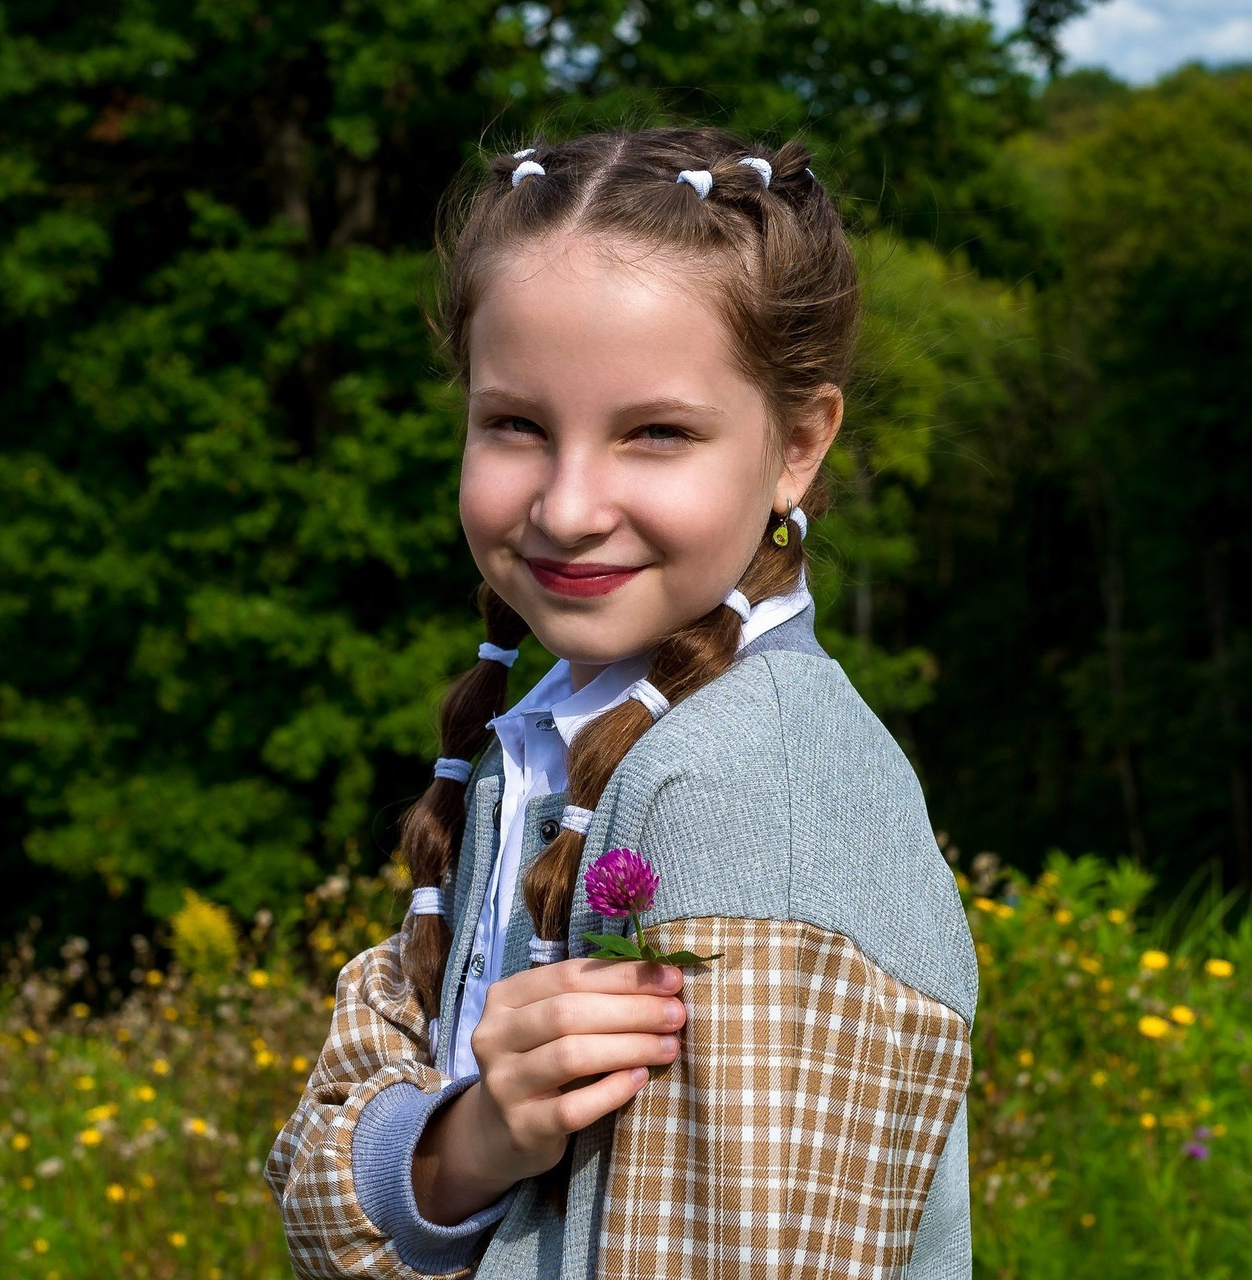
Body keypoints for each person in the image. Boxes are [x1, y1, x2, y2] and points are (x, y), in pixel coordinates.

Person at [265, 126, 977, 1280]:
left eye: (655, 432)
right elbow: (321, 1160)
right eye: (515, 424)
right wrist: (468, 1138)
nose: (568, 504)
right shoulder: (554, 736)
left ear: (796, 446)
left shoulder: (747, 791)